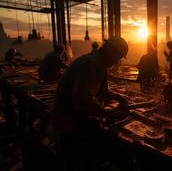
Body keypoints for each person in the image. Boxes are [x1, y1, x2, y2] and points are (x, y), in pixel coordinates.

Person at [53, 37, 133, 170]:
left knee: (116, 143)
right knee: (122, 148)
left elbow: (102, 92)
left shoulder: (97, 62)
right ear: (111, 52)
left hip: (70, 122)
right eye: (117, 57)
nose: (116, 62)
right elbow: (83, 104)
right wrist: (113, 114)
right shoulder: (91, 65)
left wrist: (118, 97)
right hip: (71, 131)